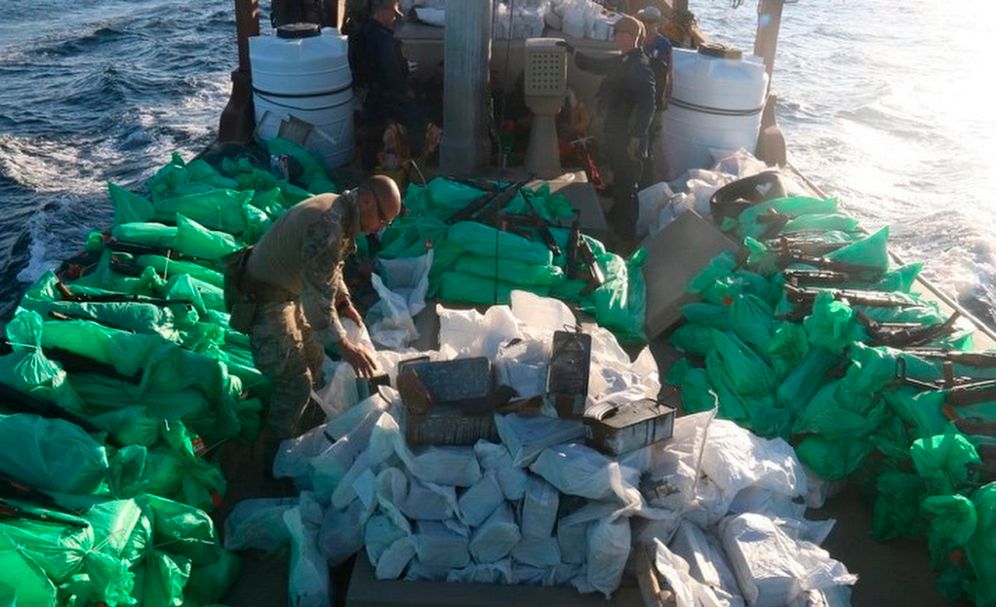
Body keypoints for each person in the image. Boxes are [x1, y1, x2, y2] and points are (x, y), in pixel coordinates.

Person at [225, 175, 402, 445]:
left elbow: (330, 268)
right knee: (295, 383)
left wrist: (343, 303)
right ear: (367, 200)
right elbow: (316, 294)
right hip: (264, 299)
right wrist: (345, 347)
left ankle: (306, 424)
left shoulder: (342, 212)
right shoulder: (328, 225)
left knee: (315, 359)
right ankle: (275, 451)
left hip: (289, 293)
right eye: (382, 219)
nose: (379, 228)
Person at [571, 15, 656, 244]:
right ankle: (617, 219)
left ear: (628, 37)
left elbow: (648, 105)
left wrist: (637, 137)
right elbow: (598, 65)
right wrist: (573, 53)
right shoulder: (625, 60)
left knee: (628, 187)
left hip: (630, 139)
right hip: (619, 135)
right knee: (620, 179)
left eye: (616, 33)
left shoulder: (639, 67)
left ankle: (626, 236)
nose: (614, 37)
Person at [351, 0, 427, 170]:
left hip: (366, 99)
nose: (397, 15)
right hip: (385, 102)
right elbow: (393, 78)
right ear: (382, 11)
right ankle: (413, 165)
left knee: (371, 147)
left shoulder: (360, 34)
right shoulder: (384, 40)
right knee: (419, 116)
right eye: (394, 10)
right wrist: (408, 86)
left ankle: (370, 172)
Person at [636, 5, 673, 183]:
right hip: (637, 99)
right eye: (644, 21)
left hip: (655, 100)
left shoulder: (664, 45)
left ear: (657, 23)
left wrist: (666, 98)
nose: (648, 25)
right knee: (635, 139)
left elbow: (669, 75)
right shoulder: (637, 42)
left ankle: (646, 181)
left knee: (650, 141)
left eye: (651, 22)